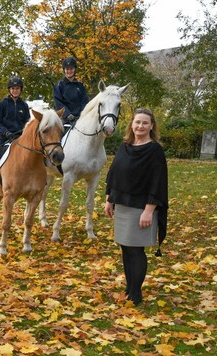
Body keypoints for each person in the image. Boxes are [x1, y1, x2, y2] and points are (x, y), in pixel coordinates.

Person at [104, 108, 168, 306]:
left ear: (151, 126)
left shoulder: (154, 150)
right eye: (137, 122)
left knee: (135, 250)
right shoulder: (125, 146)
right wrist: (109, 199)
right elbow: (114, 174)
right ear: (131, 124)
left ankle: (136, 293)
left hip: (141, 207)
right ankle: (129, 287)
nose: (140, 126)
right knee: (125, 247)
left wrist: (149, 211)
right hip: (122, 204)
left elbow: (157, 182)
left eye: (145, 123)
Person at [0, 77, 30, 190]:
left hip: (20, 136)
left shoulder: (24, 105)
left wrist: (23, 132)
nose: (15, 90)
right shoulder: (3, 104)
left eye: (17, 88)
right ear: (9, 90)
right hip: (5, 136)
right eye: (13, 88)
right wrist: (6, 132)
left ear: (20, 90)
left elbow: (27, 122)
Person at [53, 56, 89, 125]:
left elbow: (84, 101)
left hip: (80, 117)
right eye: (67, 69)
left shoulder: (80, 85)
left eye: (71, 69)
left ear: (75, 69)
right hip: (65, 119)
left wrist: (82, 113)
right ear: (64, 70)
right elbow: (58, 102)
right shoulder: (59, 86)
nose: (69, 71)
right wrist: (67, 114)